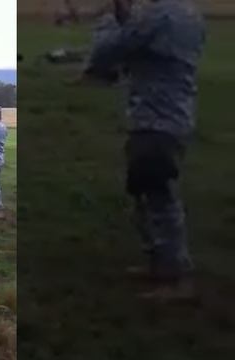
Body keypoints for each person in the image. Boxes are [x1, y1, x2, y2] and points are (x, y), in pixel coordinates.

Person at [85, 0, 205, 301]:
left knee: (158, 195)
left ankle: (176, 277)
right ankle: (159, 263)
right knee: (144, 189)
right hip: (171, 115)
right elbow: (144, 52)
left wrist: (109, 19)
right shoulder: (187, 12)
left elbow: (107, 52)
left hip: (157, 120)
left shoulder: (159, 15)